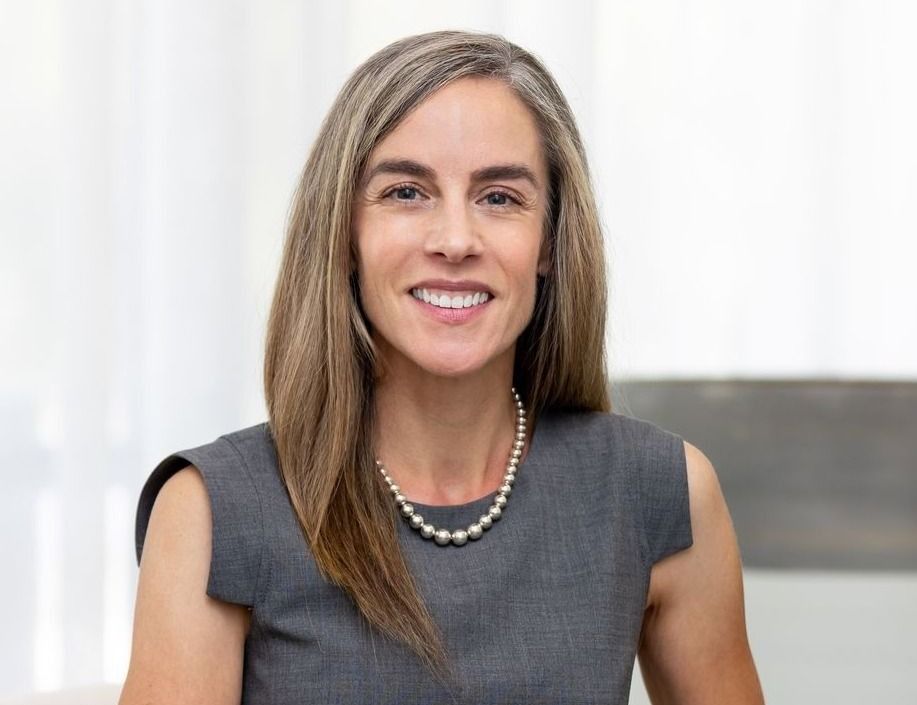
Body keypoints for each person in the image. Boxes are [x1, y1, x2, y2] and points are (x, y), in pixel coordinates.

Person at [119, 30, 765, 705]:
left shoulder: (660, 493)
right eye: (405, 192)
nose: (455, 240)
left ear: (547, 241)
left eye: (498, 198)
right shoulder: (211, 512)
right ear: (345, 234)